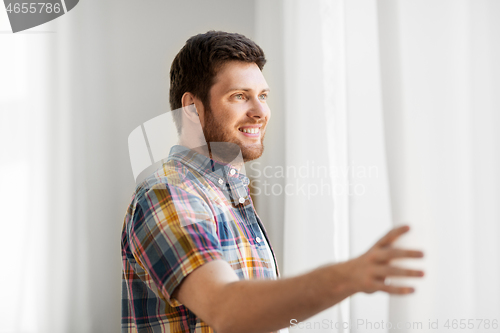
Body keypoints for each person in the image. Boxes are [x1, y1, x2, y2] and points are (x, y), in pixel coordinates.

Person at [121, 31, 425, 333]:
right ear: (190, 108)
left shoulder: (228, 194)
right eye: (240, 96)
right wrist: (347, 276)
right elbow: (228, 311)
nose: (260, 112)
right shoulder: (168, 193)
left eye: (262, 96)